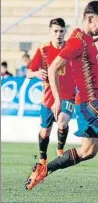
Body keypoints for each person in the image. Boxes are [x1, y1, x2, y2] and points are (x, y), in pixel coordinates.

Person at [25, 1, 98, 191]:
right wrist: (58, 99)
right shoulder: (78, 40)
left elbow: (80, 52)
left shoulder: (83, 38)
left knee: (87, 151)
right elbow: (53, 67)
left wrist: (95, 40)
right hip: (92, 103)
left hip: (87, 104)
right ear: (90, 19)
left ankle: (43, 170)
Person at [26, 18, 76, 166]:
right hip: (48, 98)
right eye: (56, 31)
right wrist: (37, 73)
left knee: (62, 121)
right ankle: (42, 158)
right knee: (45, 131)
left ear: (65, 32)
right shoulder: (43, 50)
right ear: (50, 32)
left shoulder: (71, 49)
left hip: (68, 95)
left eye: (61, 31)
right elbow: (29, 72)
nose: (59, 34)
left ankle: (60, 150)